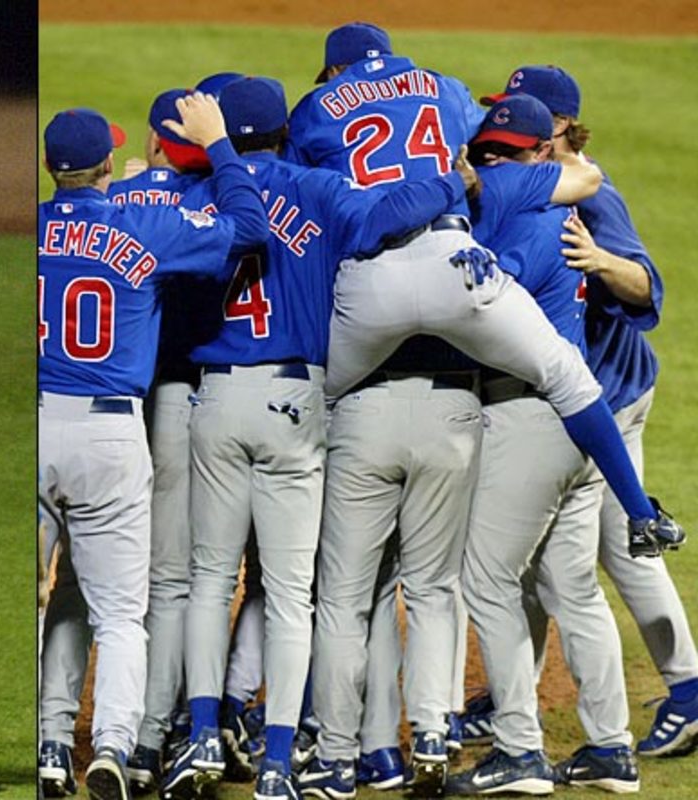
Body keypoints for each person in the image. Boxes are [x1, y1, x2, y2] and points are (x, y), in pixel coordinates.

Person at [156, 75, 479, 800]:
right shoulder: (318, 188)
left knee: (211, 580)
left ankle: (202, 734)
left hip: (215, 400)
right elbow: (394, 214)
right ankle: (277, 764)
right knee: (294, 591)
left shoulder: (199, 197)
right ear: (281, 130)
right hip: (298, 401)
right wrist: (449, 180)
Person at [282, 22, 682, 566]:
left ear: (332, 72)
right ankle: (642, 515)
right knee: (568, 376)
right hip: (456, 270)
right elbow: (582, 177)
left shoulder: (316, 111)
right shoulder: (459, 117)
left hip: (370, 282)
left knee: (308, 397)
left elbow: (294, 186)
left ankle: (279, 539)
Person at [38, 96, 269, 800]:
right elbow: (249, 228)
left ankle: (48, 748)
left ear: (53, 171)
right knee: (121, 611)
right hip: (111, 435)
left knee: (52, 599)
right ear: (109, 164)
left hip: (37, 422)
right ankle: (111, 747)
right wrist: (220, 152)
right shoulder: (145, 224)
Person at [473, 64, 698, 765]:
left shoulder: (594, 194)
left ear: (563, 126)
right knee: (551, 558)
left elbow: (646, 288)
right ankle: (527, 698)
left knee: (619, 546)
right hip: (576, 394)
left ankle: (688, 690)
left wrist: (601, 260)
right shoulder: (535, 179)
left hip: (609, 395)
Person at [443, 95, 637, 796]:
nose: (491, 163)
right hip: (579, 421)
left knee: (487, 579)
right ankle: (612, 747)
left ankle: (520, 750)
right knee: (570, 586)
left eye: (502, 153)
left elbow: (486, 302)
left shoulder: (527, 223)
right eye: (484, 152)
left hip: (533, 418)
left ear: (534, 156)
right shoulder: (553, 203)